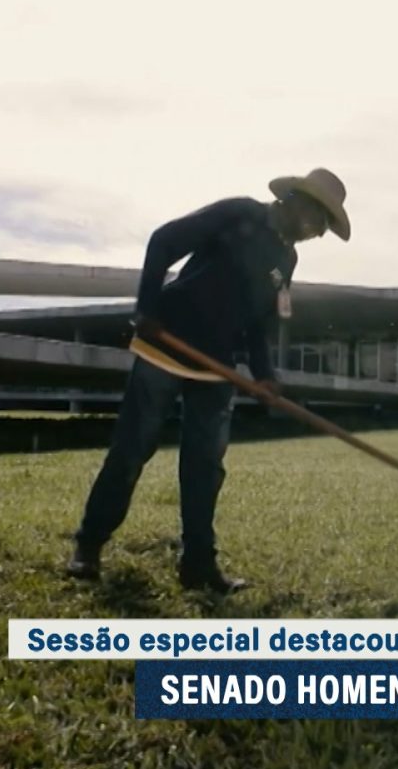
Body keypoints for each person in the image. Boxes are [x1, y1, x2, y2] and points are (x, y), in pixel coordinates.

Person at [67, 168, 350, 594]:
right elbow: (163, 241)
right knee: (133, 448)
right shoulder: (239, 214)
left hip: (216, 364)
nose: (318, 232)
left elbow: (259, 324)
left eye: (325, 227)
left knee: (205, 465)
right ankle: (88, 546)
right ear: (295, 200)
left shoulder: (286, 259)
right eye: (318, 220)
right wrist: (145, 308)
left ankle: (198, 564)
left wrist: (266, 376)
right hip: (166, 344)